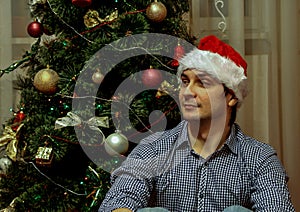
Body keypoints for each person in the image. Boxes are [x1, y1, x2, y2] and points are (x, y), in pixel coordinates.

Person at [98, 35, 295, 211]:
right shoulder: (154, 148)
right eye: (185, 81)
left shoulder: (259, 158)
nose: (187, 92)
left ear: (231, 97)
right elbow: (118, 201)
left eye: (203, 83)